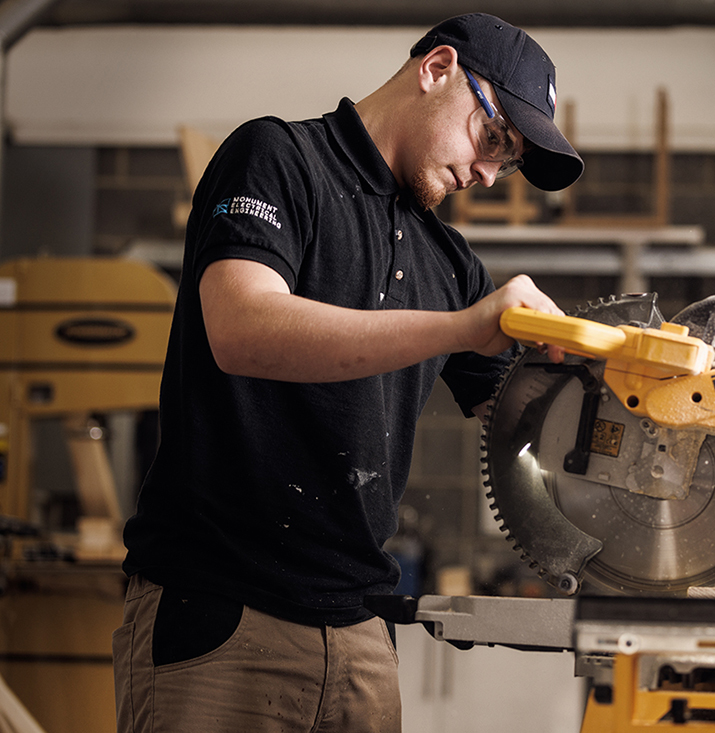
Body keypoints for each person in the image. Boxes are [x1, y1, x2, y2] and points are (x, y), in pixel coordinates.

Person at [111, 13, 582, 733]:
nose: (488, 173)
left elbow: (534, 429)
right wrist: (461, 327)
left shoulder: (448, 262)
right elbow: (242, 328)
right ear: (437, 70)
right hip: (222, 615)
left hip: (360, 633)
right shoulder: (276, 159)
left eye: (508, 161)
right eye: (493, 138)